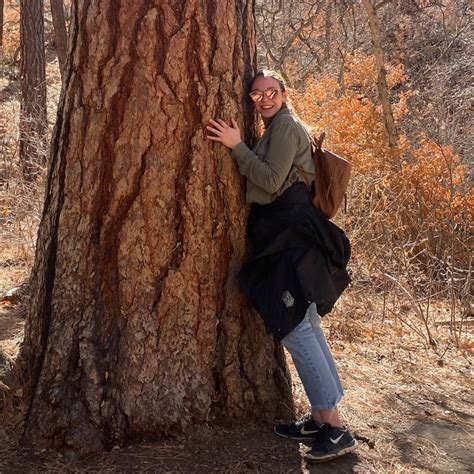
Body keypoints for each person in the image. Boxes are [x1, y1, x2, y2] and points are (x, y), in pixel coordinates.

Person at [206, 69, 357, 463]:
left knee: (294, 328)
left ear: (285, 93)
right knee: (305, 323)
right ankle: (323, 417)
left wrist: (237, 146)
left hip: (291, 236)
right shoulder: (279, 128)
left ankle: (337, 428)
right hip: (287, 234)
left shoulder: (286, 127)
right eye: (256, 95)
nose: (264, 99)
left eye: (271, 92)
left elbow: (271, 181)